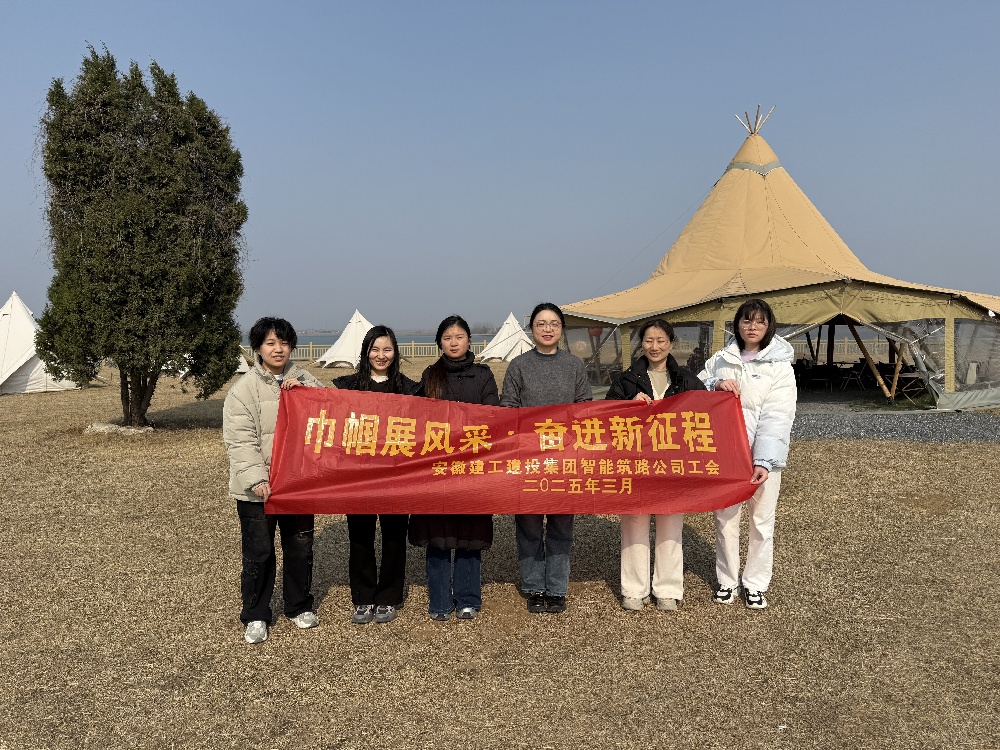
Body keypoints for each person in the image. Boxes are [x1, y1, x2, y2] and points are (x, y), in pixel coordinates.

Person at [223, 317, 323, 645]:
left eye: (283, 342)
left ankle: (298, 605)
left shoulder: (305, 378)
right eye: (270, 343)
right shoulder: (244, 389)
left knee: (300, 548)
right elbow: (240, 439)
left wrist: (307, 394)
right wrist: (256, 479)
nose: (278, 349)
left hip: (296, 484)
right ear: (257, 348)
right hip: (258, 491)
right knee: (259, 553)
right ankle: (255, 614)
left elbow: (331, 412)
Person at [698, 299, 797, 610]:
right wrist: (715, 384)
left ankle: (755, 583)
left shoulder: (779, 367)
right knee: (725, 520)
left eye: (759, 322)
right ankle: (727, 581)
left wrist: (763, 460)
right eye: (747, 320)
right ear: (737, 324)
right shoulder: (721, 359)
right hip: (727, 454)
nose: (752, 327)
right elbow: (695, 388)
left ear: (769, 326)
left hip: (761, 458)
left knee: (761, 522)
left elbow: (778, 415)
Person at [605, 319, 705, 613]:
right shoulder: (626, 380)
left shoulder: (686, 380)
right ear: (642, 344)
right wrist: (628, 404)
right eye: (649, 340)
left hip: (673, 465)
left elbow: (706, 413)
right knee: (634, 524)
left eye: (661, 341)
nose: (655, 346)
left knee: (671, 524)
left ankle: (668, 589)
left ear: (671, 343)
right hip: (635, 464)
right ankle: (634, 589)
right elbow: (606, 417)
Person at [500, 303, 591, 614]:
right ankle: (533, 586)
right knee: (528, 524)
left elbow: (585, 408)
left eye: (554, 323)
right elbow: (508, 408)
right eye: (541, 324)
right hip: (527, 456)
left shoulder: (574, 366)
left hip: (565, 457)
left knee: (561, 524)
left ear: (561, 328)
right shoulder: (519, 366)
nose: (547, 329)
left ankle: (556, 587)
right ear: (532, 329)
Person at [409, 315, 500, 621]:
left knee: (469, 535)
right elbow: (417, 417)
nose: (454, 342)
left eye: (459, 337)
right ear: (440, 343)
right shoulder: (430, 375)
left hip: (473, 466)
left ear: (469, 340)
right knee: (437, 535)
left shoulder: (483, 375)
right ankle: (439, 601)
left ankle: (468, 598)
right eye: (447, 338)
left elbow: (493, 416)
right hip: (437, 469)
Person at [332, 325, 421, 624]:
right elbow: (320, 406)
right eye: (375, 349)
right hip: (359, 477)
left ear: (395, 352)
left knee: (394, 538)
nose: (381, 356)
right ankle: (363, 596)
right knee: (360, 537)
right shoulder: (348, 387)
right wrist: (297, 386)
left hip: (396, 477)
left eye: (387, 349)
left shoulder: (409, 389)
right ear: (365, 352)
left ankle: (389, 597)